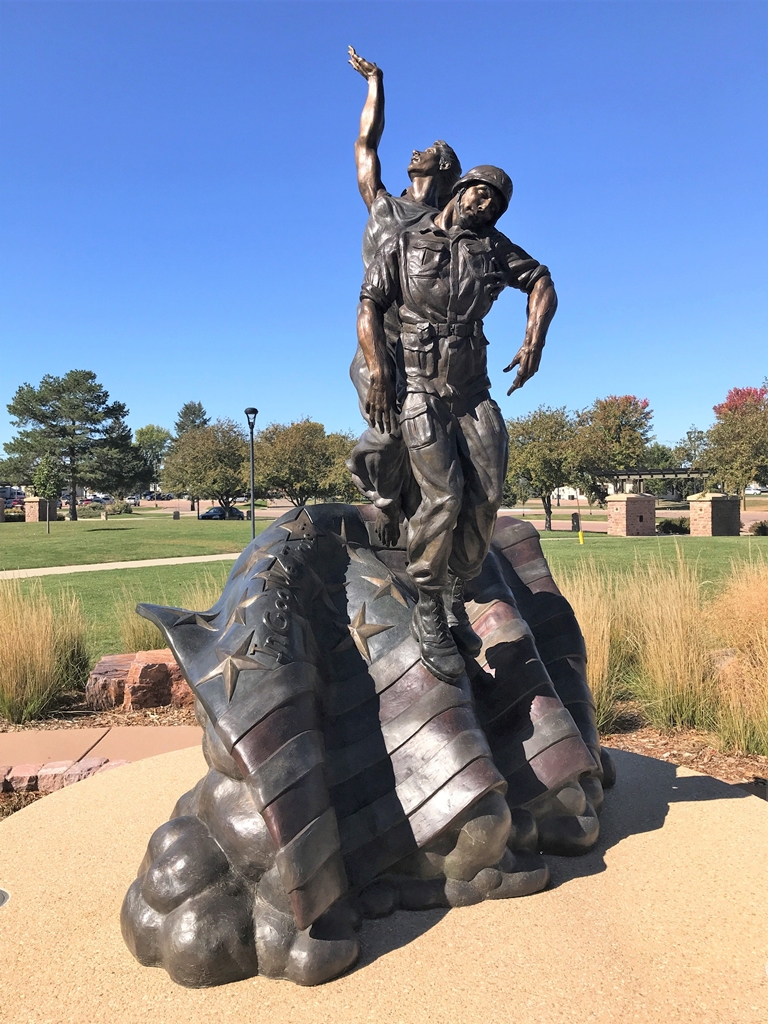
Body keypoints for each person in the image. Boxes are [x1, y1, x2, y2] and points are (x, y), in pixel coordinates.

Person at [357, 165, 557, 682]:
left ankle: (453, 589)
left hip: (473, 392)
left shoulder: (493, 246)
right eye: (481, 194)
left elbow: (540, 280)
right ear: (463, 188)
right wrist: (379, 369)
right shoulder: (404, 241)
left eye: (497, 203)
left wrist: (534, 337)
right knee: (443, 496)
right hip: (420, 388)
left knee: (487, 494)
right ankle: (428, 605)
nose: (486, 206)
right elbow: (370, 303)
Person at [346, 47, 462, 545]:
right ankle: (381, 493)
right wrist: (376, 82)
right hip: (378, 340)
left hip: (426, 350)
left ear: (444, 166)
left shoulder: (444, 228)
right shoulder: (383, 205)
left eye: (427, 151)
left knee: (434, 448)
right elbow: (365, 143)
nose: (415, 153)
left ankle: (421, 530)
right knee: (390, 433)